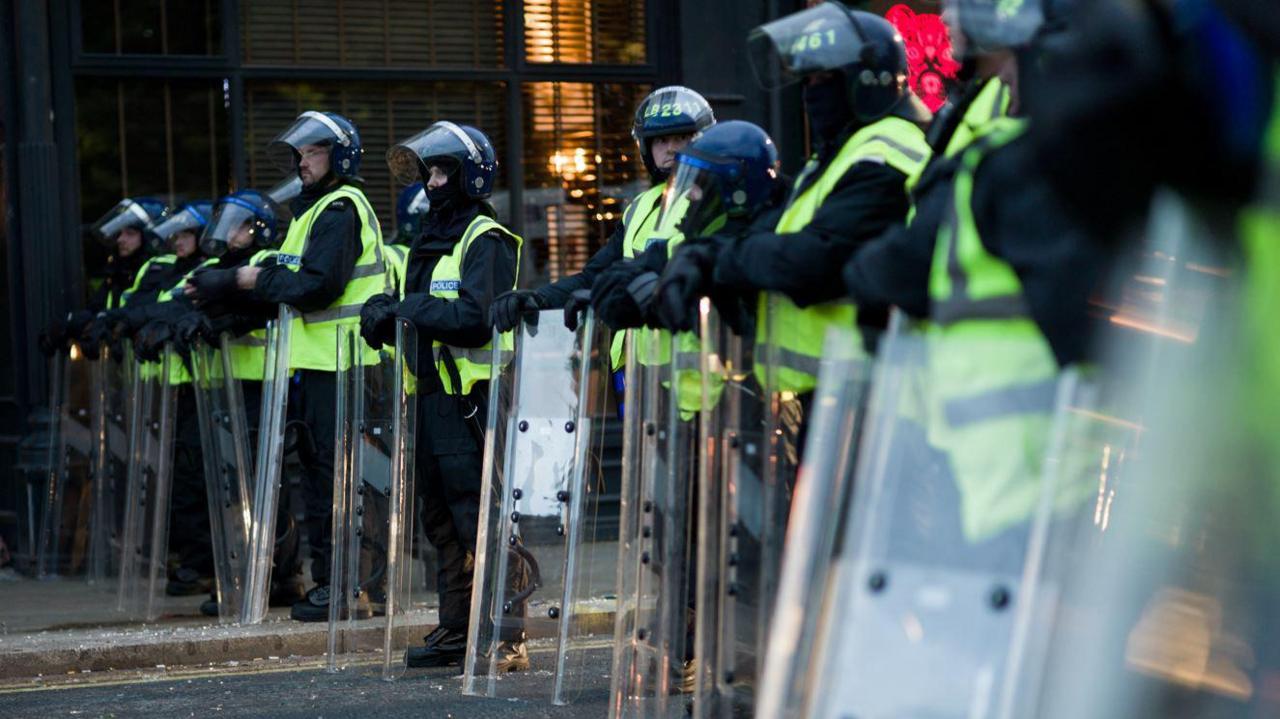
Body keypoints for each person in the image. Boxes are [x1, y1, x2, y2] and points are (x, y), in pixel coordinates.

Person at [197, 110, 390, 622]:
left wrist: (240, 282)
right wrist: (226, 311)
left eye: (314, 152)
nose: (302, 163)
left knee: (341, 478)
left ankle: (350, 587)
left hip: (346, 364)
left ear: (340, 156)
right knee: (320, 477)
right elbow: (284, 285)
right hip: (317, 366)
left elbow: (315, 286)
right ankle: (333, 582)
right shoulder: (309, 214)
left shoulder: (342, 207)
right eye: (300, 154)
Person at [361, 120, 521, 669]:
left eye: (443, 169)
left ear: (470, 175)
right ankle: (458, 629)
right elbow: (424, 314)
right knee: (442, 522)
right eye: (429, 170)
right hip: (429, 399)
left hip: (471, 400)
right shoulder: (430, 241)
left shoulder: (485, 239)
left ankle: (505, 633)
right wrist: (385, 318)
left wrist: (407, 310)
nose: (432, 181)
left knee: (478, 515)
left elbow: (475, 319)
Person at [490, 86, 715, 356]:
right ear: (646, 146)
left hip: (695, 367)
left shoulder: (713, 198)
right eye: (660, 140)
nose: (670, 149)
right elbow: (594, 276)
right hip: (636, 373)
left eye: (680, 138)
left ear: (701, 139)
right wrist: (539, 298)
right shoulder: (640, 208)